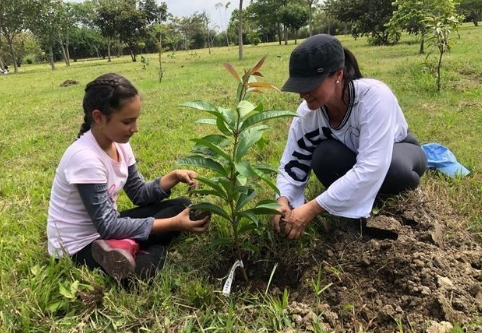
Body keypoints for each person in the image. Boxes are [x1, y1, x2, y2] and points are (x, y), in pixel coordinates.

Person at [47, 73, 210, 282]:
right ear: (98, 118)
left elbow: (139, 194)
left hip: (107, 229)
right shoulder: (85, 158)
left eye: (136, 119)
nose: (135, 128)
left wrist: (173, 177)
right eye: (127, 121)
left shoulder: (120, 143)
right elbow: (108, 226)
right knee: (145, 270)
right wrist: (171, 225)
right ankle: (137, 248)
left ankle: (129, 246)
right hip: (79, 247)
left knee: (183, 206)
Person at [272, 34, 427, 240]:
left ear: (338, 74)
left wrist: (311, 209)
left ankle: (371, 196)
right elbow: (293, 160)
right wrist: (282, 199)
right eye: (299, 87)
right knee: (323, 155)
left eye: (310, 85)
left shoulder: (374, 97)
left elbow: (372, 165)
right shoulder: (307, 114)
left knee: (394, 170)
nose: (302, 94)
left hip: (399, 150)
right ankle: (354, 196)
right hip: (354, 157)